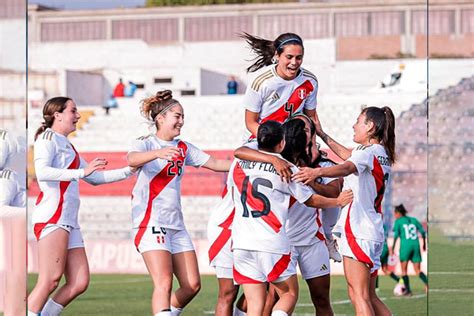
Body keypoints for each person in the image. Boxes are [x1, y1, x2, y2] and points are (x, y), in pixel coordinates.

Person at [230, 120, 353, 316]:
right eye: (299, 128)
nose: (302, 132)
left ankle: (329, 238)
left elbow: (238, 152)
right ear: (283, 140)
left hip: (306, 240)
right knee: (282, 296)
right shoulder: (286, 166)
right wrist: (338, 202)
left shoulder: (321, 164)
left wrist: (313, 178)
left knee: (318, 298)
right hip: (278, 242)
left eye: (306, 128)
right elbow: (311, 200)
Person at [127, 90, 232, 316]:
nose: (181, 121)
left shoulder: (184, 147)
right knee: (163, 283)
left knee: (192, 285)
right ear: (161, 118)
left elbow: (214, 163)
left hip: (176, 225)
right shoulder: (145, 143)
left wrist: (246, 164)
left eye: (183, 116)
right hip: (150, 222)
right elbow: (131, 159)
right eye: (177, 116)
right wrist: (158, 153)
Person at [27, 97, 135, 316]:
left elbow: (95, 178)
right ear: (57, 115)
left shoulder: (67, 144)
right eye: (73, 111)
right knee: (50, 280)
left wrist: (130, 170)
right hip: (53, 216)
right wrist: (81, 172)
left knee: (79, 281)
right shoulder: (47, 139)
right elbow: (43, 173)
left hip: (68, 219)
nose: (77, 115)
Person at [293, 106, 396, 316]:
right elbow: (348, 157)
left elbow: (347, 167)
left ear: (370, 126)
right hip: (372, 230)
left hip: (358, 228)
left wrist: (316, 171)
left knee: (359, 296)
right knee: (369, 296)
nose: (353, 125)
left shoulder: (367, 153)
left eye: (358, 121)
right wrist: (322, 133)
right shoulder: (380, 152)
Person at [241, 32, 323, 141]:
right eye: (289, 57)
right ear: (277, 55)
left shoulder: (310, 81)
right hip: (259, 140)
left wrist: (312, 145)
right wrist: (274, 144)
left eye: (299, 57)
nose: (294, 62)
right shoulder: (261, 82)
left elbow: (311, 118)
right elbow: (250, 123)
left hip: (291, 143)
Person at [391, 204, 427, 295]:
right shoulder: (414, 220)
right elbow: (423, 232)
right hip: (416, 245)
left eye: (395, 213)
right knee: (417, 270)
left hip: (405, 246)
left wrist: (393, 247)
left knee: (404, 270)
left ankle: (408, 291)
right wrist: (424, 244)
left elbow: (396, 236)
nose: (394, 215)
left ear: (398, 213)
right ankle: (428, 285)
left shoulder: (398, 221)